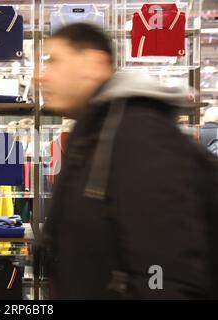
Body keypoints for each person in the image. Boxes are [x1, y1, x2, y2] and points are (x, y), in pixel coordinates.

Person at [41, 23, 218, 299]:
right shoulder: (92, 134)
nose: (43, 76)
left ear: (92, 64)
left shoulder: (142, 137)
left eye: (53, 61)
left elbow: (163, 272)